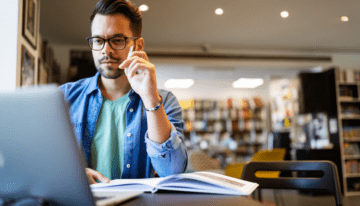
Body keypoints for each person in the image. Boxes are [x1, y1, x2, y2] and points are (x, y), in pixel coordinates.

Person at [59, 0, 188, 184]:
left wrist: (150, 99)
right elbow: (41, 159)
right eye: (98, 41)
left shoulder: (164, 101)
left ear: (138, 45)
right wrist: (71, 175)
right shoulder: (64, 97)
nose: (106, 50)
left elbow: (171, 171)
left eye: (117, 40)